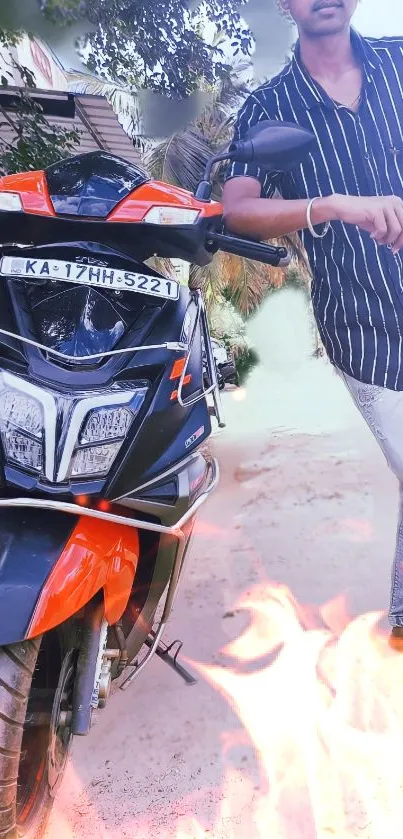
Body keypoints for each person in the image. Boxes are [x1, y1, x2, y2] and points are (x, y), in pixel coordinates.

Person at [222, 0, 403, 645]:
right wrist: (328, 206)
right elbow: (237, 209)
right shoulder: (268, 106)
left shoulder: (399, 63)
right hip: (364, 324)